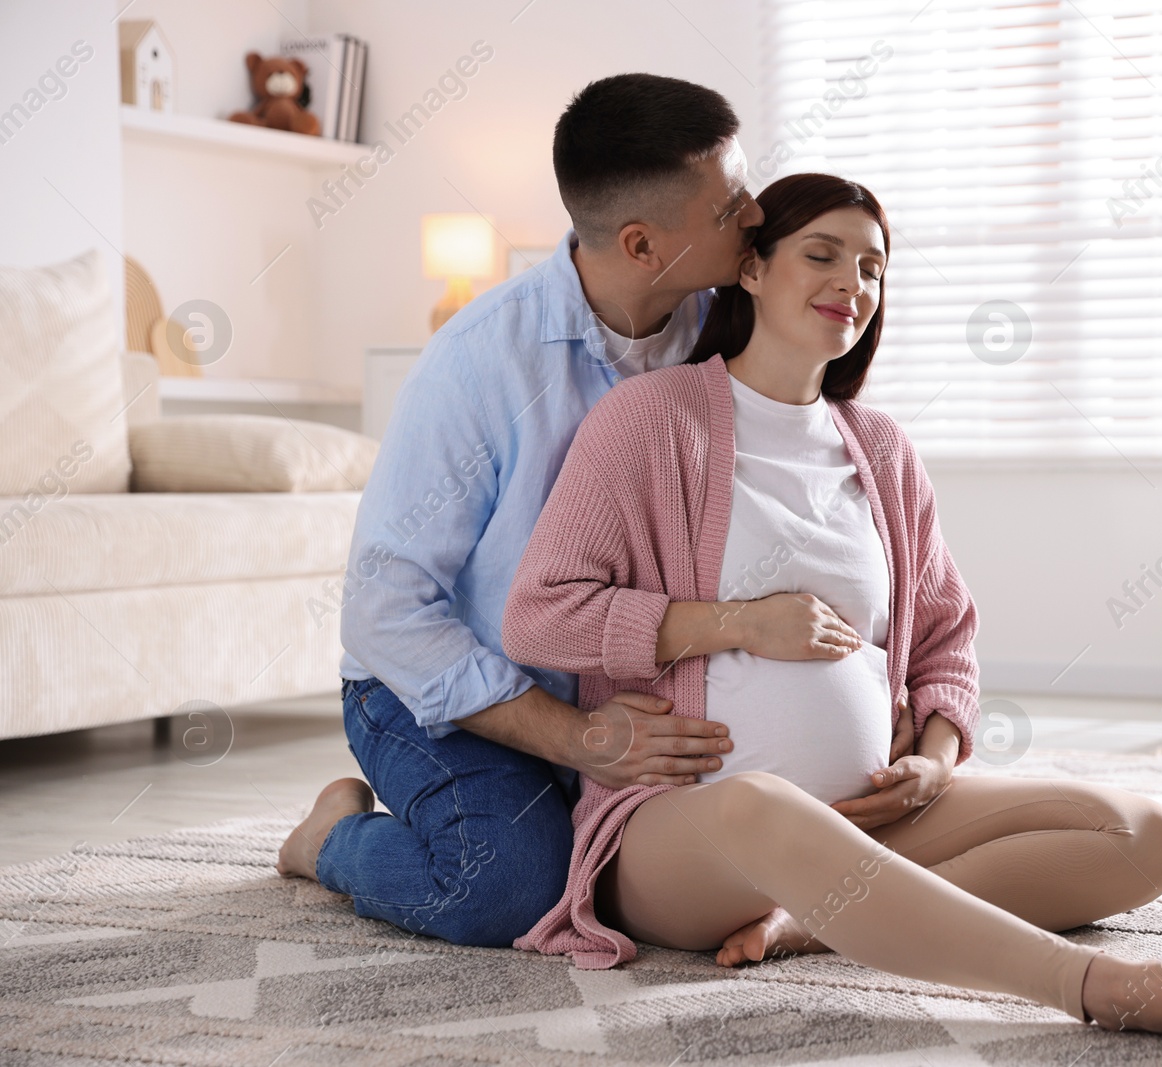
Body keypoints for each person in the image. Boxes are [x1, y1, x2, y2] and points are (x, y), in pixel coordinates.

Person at [500, 173, 1162, 1055]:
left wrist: (939, 759)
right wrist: (736, 623)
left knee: (1144, 835)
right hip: (683, 827)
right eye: (822, 255)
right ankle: (1098, 988)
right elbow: (539, 614)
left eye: (873, 268)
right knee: (761, 804)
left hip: (867, 809)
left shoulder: (879, 448)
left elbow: (947, 633)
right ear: (751, 270)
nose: (854, 285)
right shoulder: (649, 420)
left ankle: (810, 921)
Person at [274, 75, 930, 945]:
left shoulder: (723, 324)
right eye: (732, 205)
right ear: (641, 240)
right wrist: (580, 738)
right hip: (447, 692)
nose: (755, 217)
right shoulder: (478, 367)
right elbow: (387, 612)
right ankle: (329, 840)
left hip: (618, 692)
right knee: (508, 886)